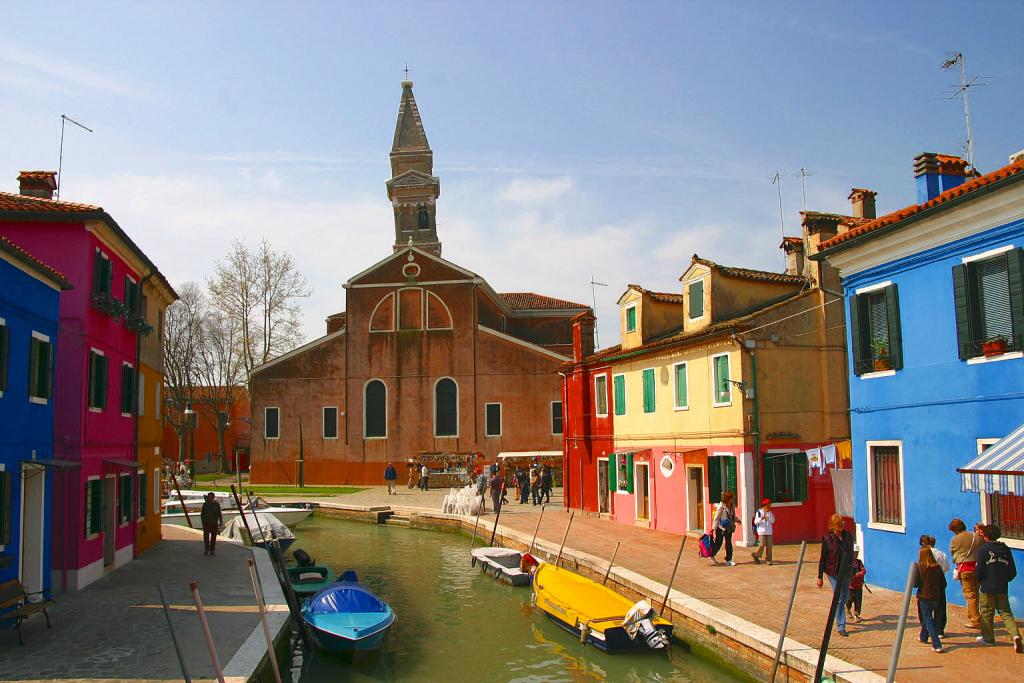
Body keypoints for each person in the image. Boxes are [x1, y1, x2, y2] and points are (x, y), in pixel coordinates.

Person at [975, 524, 1021, 652]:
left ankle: (988, 639)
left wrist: (980, 581)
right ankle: (1015, 636)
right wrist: (1004, 580)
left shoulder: (983, 550)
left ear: (986, 536)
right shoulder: (1005, 549)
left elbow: (979, 571)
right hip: (1002, 587)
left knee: (987, 613)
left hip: (987, 587)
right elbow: (1012, 571)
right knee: (1006, 613)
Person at [817, 513, 854, 637]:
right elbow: (823, 558)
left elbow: (851, 553)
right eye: (839, 523)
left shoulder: (848, 536)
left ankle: (838, 615)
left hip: (846, 570)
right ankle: (841, 625)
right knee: (839, 598)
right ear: (833, 525)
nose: (842, 525)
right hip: (833, 572)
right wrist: (820, 577)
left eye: (842, 523)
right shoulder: (828, 539)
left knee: (845, 596)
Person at [948, 518, 982, 630]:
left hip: (965, 569)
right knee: (976, 593)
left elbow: (953, 554)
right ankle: (972, 614)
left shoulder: (955, 539)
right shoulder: (976, 537)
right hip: (977, 568)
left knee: (969, 595)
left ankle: (975, 620)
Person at [916, 546, 946, 653]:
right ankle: (923, 636)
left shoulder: (919, 567)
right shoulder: (938, 568)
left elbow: (915, 584)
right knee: (927, 617)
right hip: (936, 597)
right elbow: (944, 583)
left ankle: (937, 644)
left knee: (928, 618)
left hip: (924, 597)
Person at [920, 534, 949, 637]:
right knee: (940, 608)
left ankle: (927, 632)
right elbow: (946, 567)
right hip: (940, 584)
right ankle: (939, 630)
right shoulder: (942, 554)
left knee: (925, 612)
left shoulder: (925, 554)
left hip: (927, 587)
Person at [710, 491, 737, 566]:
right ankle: (712, 554)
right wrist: (713, 528)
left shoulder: (732, 505)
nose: (732, 499)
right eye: (731, 498)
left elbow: (733, 515)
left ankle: (728, 560)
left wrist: (737, 520)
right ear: (727, 499)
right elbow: (716, 518)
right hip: (720, 527)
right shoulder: (721, 506)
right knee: (719, 542)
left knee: (728, 543)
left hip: (728, 527)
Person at [751, 498, 775, 565]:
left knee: (770, 546)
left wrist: (769, 515)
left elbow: (773, 521)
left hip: (769, 531)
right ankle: (756, 555)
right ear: (764, 505)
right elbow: (755, 522)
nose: (769, 506)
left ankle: (768, 559)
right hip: (762, 531)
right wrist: (762, 518)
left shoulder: (770, 512)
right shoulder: (759, 512)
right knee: (761, 545)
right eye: (768, 504)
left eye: (770, 504)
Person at [846, 545, 867, 622]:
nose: (855, 554)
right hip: (850, 586)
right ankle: (848, 608)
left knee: (858, 601)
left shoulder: (859, 562)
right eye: (854, 553)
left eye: (856, 553)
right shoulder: (847, 563)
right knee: (849, 599)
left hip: (858, 586)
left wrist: (856, 575)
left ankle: (856, 615)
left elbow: (864, 571)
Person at [200, 492, 223, 556]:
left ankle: (212, 550)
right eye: (209, 497)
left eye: (211, 497)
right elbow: (202, 514)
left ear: (213, 497)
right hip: (206, 524)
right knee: (206, 537)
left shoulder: (216, 505)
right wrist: (203, 522)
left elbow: (219, 513)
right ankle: (206, 549)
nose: (210, 498)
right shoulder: (205, 505)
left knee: (213, 537)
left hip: (214, 523)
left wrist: (221, 521)